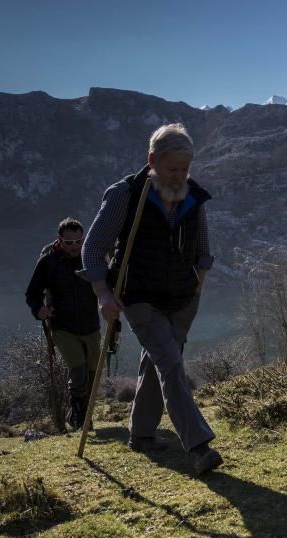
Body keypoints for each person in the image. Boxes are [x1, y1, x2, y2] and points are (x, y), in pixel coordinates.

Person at [78, 123, 222, 476]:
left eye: (185, 169)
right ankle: (199, 447)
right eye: (173, 168)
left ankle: (141, 435)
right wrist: (103, 295)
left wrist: (197, 290)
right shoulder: (125, 195)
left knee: (158, 361)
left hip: (182, 298)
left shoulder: (193, 197)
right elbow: (94, 247)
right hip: (139, 296)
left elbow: (202, 250)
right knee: (171, 363)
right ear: (152, 160)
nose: (179, 176)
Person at [25, 217, 101, 429]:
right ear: (59, 240)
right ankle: (81, 419)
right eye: (69, 243)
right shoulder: (48, 262)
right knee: (78, 371)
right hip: (62, 327)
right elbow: (32, 293)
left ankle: (80, 415)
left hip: (91, 326)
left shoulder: (91, 256)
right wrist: (39, 310)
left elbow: (107, 281)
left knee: (93, 375)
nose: (75, 246)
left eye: (78, 241)